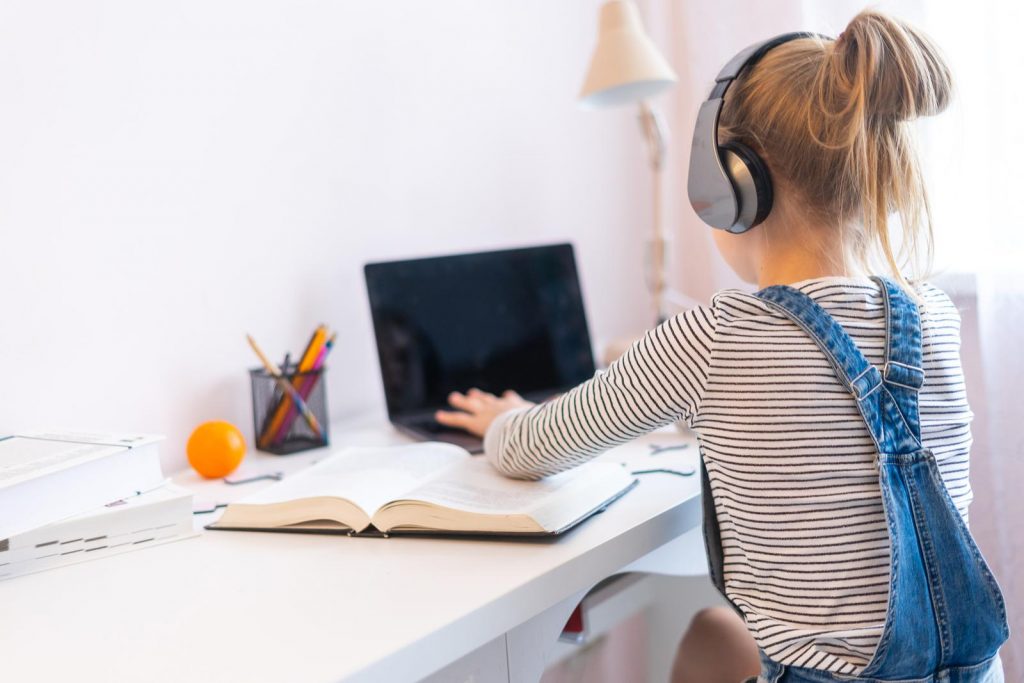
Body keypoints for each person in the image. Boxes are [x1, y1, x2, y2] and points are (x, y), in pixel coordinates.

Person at [436, 9, 1008, 683]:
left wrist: (504, 418)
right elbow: (827, 413)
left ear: (731, 184)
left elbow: (530, 447)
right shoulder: (931, 313)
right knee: (714, 632)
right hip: (975, 674)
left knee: (715, 632)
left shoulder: (717, 334)